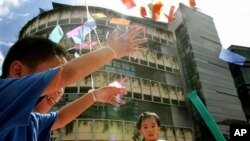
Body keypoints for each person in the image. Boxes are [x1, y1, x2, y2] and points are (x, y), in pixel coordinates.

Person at [0, 26, 148, 141]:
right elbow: (69, 73)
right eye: (55, 73)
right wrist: (113, 50)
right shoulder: (4, 93)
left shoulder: (32, 122)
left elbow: (61, 118)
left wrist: (94, 96)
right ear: (18, 71)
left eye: (63, 86)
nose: (60, 90)